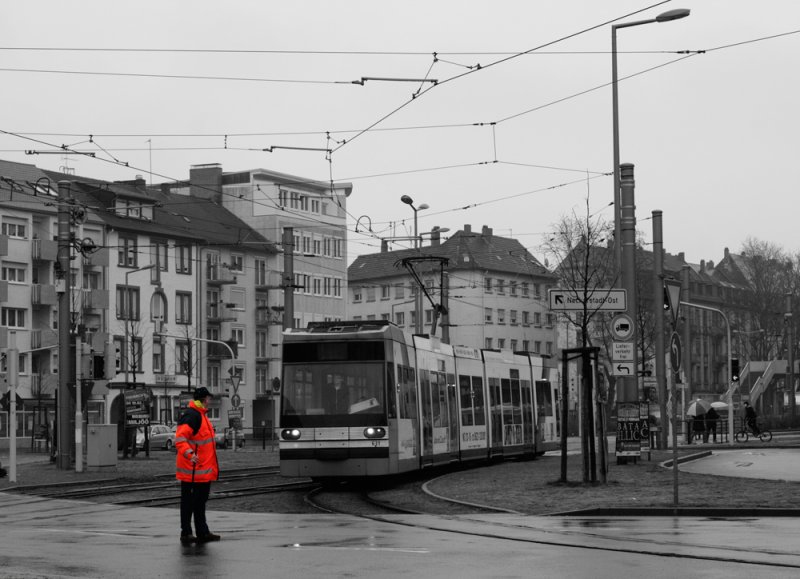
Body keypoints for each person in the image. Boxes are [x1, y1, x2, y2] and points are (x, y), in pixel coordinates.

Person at [175, 387, 220, 544]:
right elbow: (180, 438)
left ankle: (202, 531)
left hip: (202, 471)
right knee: (189, 503)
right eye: (208, 398)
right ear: (204, 399)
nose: (210, 401)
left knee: (200, 502)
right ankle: (186, 532)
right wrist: (189, 454)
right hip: (192, 471)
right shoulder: (192, 416)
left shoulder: (201, 416)